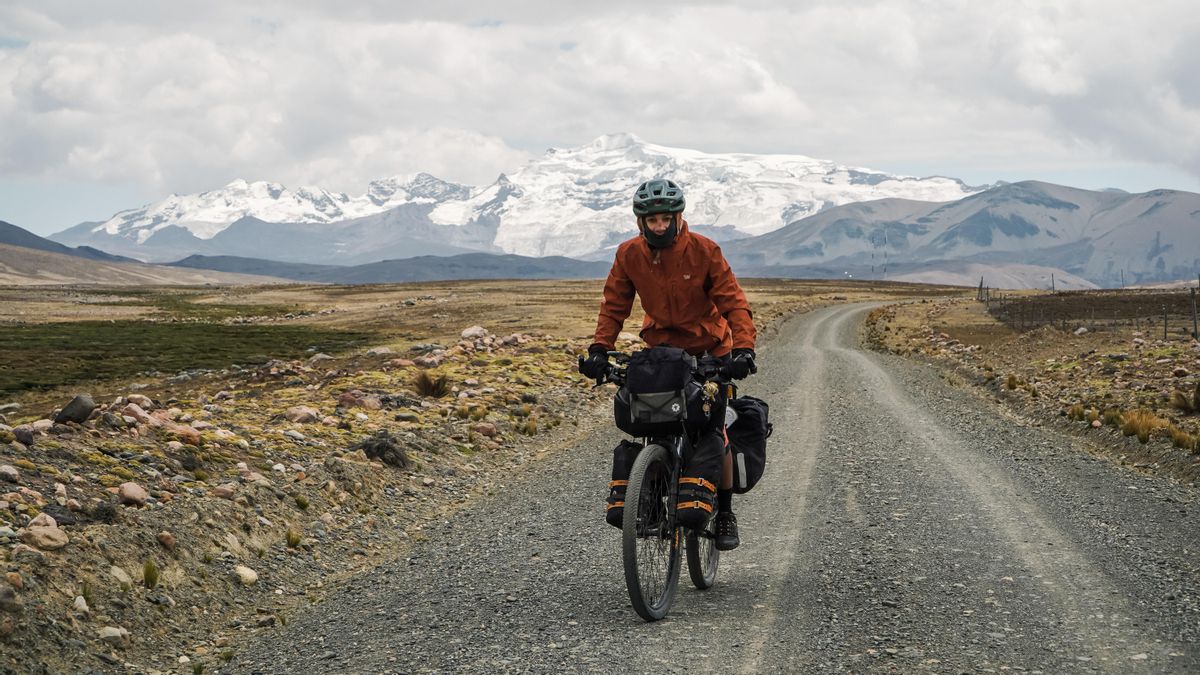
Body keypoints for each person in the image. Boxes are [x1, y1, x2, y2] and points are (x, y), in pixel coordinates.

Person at [579, 178, 757, 551]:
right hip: (662, 351)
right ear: (640, 222)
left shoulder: (705, 251)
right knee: (654, 420)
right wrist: (599, 349)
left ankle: (725, 512)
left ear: (678, 217)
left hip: (710, 350)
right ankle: (653, 485)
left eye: (665, 219)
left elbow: (733, 302)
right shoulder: (629, 254)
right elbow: (614, 304)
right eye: (652, 220)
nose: (659, 226)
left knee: (714, 430)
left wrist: (743, 349)